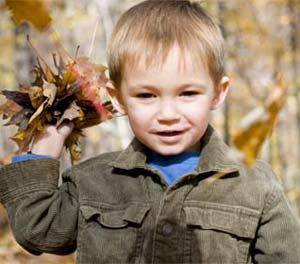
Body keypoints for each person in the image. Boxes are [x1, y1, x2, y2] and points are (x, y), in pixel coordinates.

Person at [1, 1, 300, 263]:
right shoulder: (94, 181)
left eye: (188, 94)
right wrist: (43, 151)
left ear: (217, 93)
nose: (167, 115)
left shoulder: (253, 185)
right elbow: (38, 231)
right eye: (146, 96)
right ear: (118, 98)